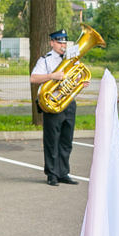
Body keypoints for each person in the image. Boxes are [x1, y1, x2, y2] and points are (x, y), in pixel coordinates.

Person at [30, 29, 79, 186]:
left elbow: (77, 78)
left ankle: (63, 172)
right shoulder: (45, 60)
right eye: (59, 42)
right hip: (52, 104)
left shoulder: (73, 60)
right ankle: (52, 174)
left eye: (64, 42)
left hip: (69, 103)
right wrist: (52, 76)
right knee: (52, 140)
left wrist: (81, 82)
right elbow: (33, 78)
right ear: (52, 43)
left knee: (66, 140)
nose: (63, 45)